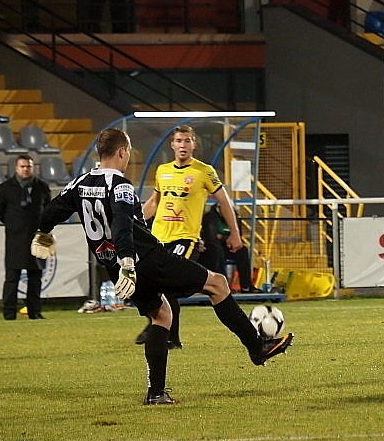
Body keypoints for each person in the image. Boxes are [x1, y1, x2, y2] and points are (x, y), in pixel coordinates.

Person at [30, 128, 292, 405]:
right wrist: (129, 261)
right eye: (128, 152)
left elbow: (52, 211)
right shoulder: (119, 185)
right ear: (122, 151)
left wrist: (43, 232)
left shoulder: (79, 183)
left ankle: (156, 393)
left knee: (161, 314)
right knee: (217, 284)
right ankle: (257, 347)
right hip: (144, 260)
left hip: (115, 267)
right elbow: (122, 225)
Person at [137, 125, 246, 349]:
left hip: (184, 239)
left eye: (187, 141)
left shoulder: (204, 171)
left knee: (167, 282)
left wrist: (235, 233)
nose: (183, 145)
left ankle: (169, 336)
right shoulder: (162, 171)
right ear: (172, 144)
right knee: (153, 284)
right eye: (179, 141)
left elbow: (224, 201)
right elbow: (155, 203)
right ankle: (164, 330)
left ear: (194, 144)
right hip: (158, 238)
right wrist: (132, 223)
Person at [0, 154, 52, 321]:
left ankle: (35, 312)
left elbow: (48, 209)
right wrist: (14, 225)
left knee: (35, 278)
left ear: (33, 168)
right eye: (22, 166)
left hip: (37, 239)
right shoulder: (6, 188)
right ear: (16, 168)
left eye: (29, 166)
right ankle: (9, 313)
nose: (26, 169)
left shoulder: (42, 187)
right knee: (12, 278)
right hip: (15, 240)